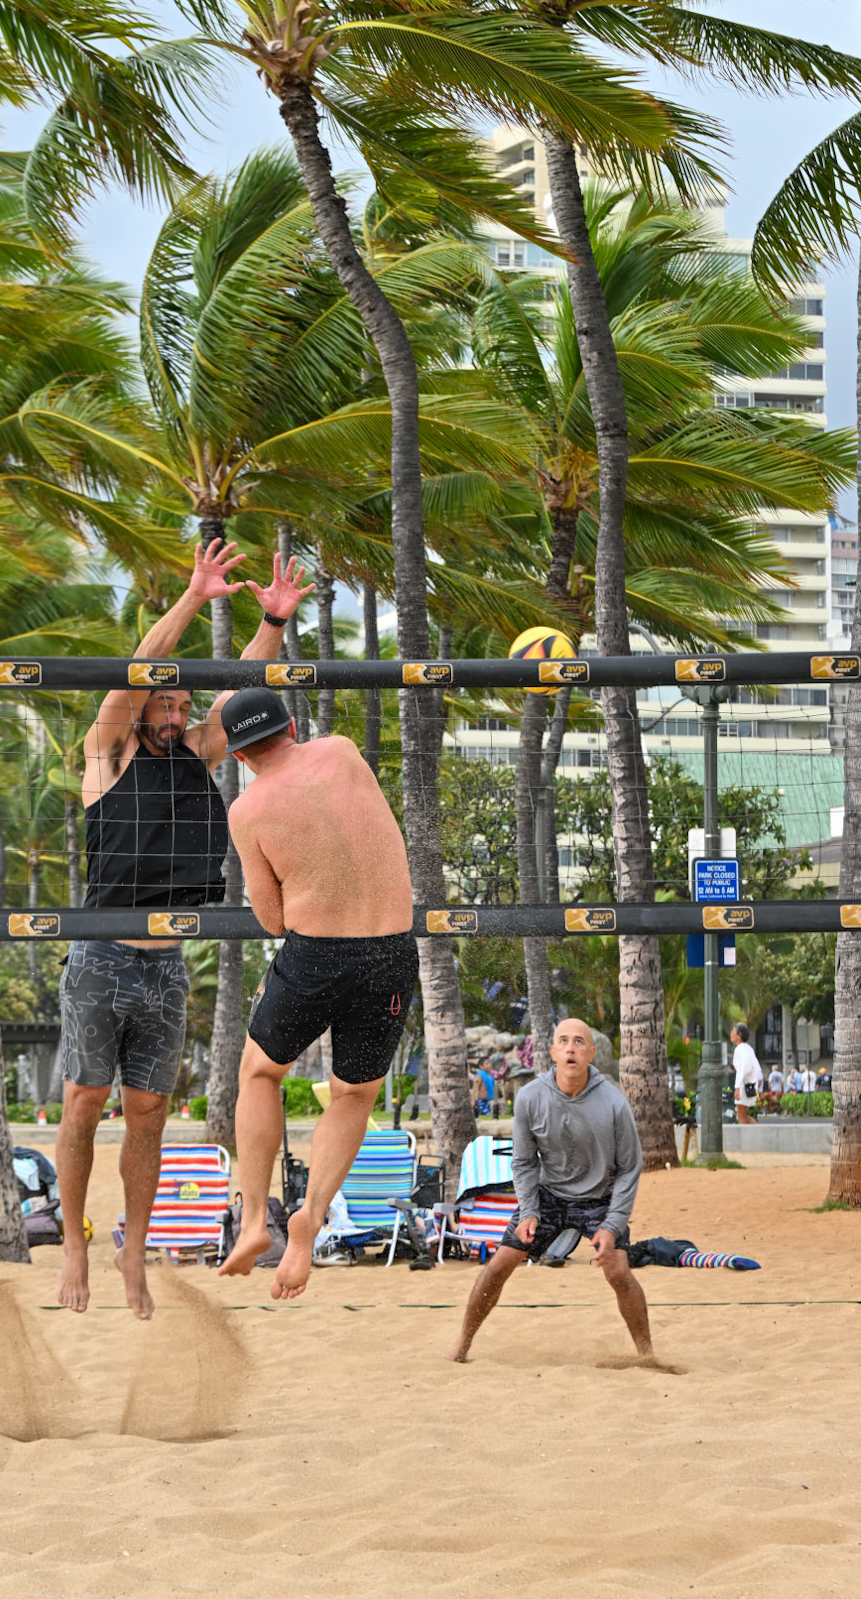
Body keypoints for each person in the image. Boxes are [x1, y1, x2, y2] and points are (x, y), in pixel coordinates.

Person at [56, 546, 312, 1320]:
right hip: (101, 955)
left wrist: (271, 619)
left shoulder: (199, 751)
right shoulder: (106, 755)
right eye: (160, 706)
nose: (171, 714)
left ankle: (131, 1248)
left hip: (166, 966)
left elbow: (243, 685)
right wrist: (197, 596)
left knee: (146, 1112)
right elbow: (141, 666)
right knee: (82, 1101)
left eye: (177, 707)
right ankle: (73, 1239)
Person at [215, 687, 420, 1301]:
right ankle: (313, 1214)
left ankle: (256, 1220)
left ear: (241, 758)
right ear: (294, 726)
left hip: (318, 955)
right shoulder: (343, 752)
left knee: (259, 1074)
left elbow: (273, 920)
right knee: (353, 1094)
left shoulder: (248, 810)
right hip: (391, 950)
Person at [448, 1016, 662, 1368]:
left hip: (599, 1198)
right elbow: (523, 1162)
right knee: (500, 1264)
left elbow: (629, 1168)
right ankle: (462, 1344)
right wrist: (529, 1210)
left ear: (591, 1053)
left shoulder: (614, 1103)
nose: (571, 1048)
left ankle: (646, 1353)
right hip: (547, 1196)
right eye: (563, 1041)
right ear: (552, 1052)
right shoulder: (531, 1097)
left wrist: (613, 1224)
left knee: (619, 1271)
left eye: (579, 1042)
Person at [730, 1022, 762, 1124]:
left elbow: (742, 1070)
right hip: (750, 1085)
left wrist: (737, 1088)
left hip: (744, 1086)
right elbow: (756, 1068)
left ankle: (748, 1138)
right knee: (742, 1115)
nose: (731, 1033)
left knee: (741, 1116)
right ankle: (759, 1133)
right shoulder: (748, 1048)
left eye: (733, 1031)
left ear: (739, 1035)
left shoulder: (740, 1049)